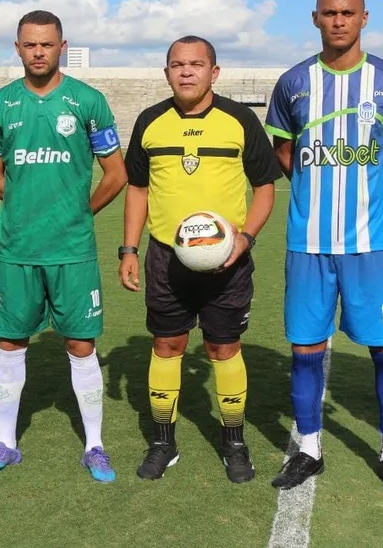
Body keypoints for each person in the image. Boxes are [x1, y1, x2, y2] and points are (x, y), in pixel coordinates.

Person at [264, 0, 383, 499]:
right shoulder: (292, 84)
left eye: (348, 12)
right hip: (307, 241)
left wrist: (373, 196)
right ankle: (309, 449)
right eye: (329, 13)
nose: (338, 21)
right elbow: (285, 154)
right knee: (305, 349)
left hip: (371, 243)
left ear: (364, 17)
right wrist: (315, 189)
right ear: (315, 18)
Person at [0, 10, 128, 483]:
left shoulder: (88, 101)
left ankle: (96, 447)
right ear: (17, 48)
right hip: (18, 248)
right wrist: (29, 206)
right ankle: (6, 443)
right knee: (10, 341)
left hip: (73, 249)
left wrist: (77, 211)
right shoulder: (0, 104)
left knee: (81, 343)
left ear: (62, 46)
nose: (38, 51)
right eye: (29, 44)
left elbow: (116, 174)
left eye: (47, 44)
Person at [119, 35, 280, 483]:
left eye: (195, 64)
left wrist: (246, 237)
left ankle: (234, 442)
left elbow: (265, 185)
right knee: (167, 345)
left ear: (215, 71)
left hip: (227, 261)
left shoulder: (240, 119)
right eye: (176, 64)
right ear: (166, 71)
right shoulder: (150, 121)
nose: (186, 71)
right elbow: (137, 188)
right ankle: (163, 442)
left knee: (222, 348)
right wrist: (129, 249)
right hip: (165, 259)